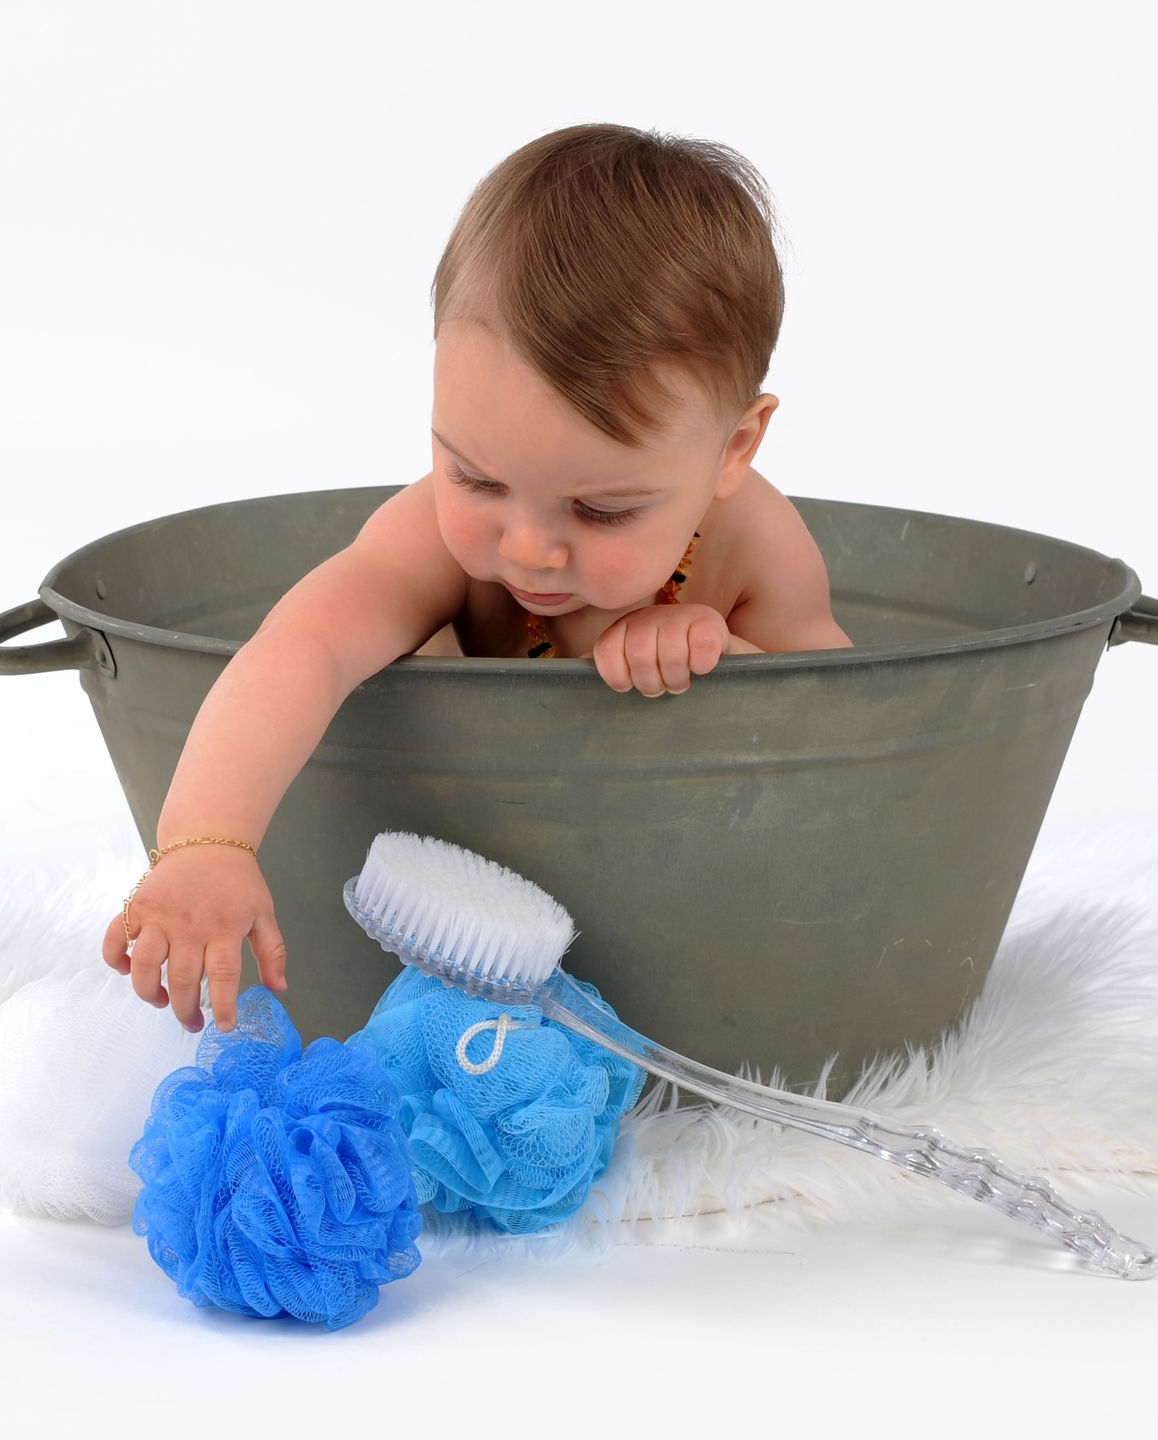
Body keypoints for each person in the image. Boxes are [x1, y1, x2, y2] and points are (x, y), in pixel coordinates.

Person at [103, 122, 853, 1034]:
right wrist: (206, 841)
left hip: (678, 931)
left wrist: (729, 658)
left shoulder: (757, 547)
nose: (529, 549)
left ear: (733, 448)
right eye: (477, 479)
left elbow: (849, 751)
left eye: (603, 511)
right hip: (439, 891)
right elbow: (302, 649)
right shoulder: (426, 537)